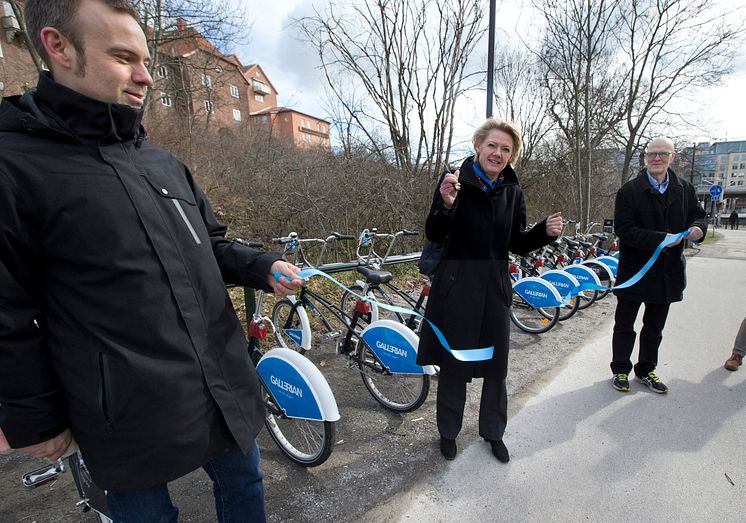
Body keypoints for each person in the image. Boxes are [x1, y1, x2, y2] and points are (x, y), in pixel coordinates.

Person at [0, 1, 304, 521]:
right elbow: (6, 312)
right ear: (58, 47)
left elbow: (208, 244)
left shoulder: (161, 162)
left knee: (246, 486)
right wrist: (36, 417)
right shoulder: (14, 165)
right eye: (123, 58)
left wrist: (259, 266)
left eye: (145, 59)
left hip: (218, 384)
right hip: (120, 411)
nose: (145, 76)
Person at [415, 118, 563, 462]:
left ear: (512, 156)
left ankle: (493, 433)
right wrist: (447, 204)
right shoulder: (454, 182)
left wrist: (545, 233)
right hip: (456, 287)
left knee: (497, 367)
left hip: (495, 289)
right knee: (454, 365)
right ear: (478, 146)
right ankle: (448, 433)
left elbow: (517, 243)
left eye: (506, 149)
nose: (498, 153)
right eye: (492, 145)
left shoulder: (513, 191)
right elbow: (435, 232)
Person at [611, 137, 706, 394]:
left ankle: (646, 370)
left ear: (671, 157)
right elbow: (624, 229)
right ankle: (620, 369)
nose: (657, 158)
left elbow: (698, 215)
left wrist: (698, 228)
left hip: (667, 273)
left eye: (663, 154)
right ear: (644, 157)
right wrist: (660, 240)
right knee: (624, 324)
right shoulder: (629, 191)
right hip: (635, 271)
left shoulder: (685, 189)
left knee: (654, 327)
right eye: (652, 154)